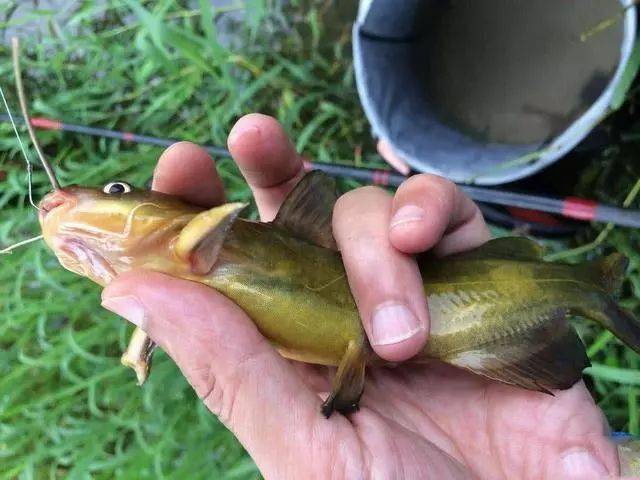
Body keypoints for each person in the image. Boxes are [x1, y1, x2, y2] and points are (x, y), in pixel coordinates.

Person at [101, 114, 620, 479]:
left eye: (118, 191)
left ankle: (588, 286)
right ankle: (588, 286)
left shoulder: (193, 245)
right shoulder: (176, 280)